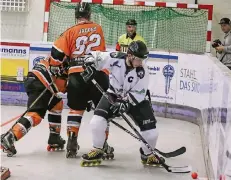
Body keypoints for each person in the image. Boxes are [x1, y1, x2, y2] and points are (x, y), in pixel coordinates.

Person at [80, 41, 163, 166]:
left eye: (143, 59)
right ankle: (97, 149)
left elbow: (139, 93)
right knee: (96, 122)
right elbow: (93, 56)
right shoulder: (116, 58)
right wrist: (89, 65)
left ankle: (147, 155)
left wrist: (125, 103)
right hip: (113, 94)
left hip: (137, 100)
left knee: (151, 134)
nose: (141, 62)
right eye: (139, 59)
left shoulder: (142, 71)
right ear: (130, 56)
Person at [50, 2, 111, 158]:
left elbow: (56, 54)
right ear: (89, 15)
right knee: (102, 111)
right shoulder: (98, 28)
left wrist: (59, 65)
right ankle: (102, 144)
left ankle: (71, 140)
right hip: (98, 73)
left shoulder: (69, 31)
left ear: (75, 15)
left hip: (77, 75)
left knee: (76, 109)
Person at [1, 57, 68, 156]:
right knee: (35, 114)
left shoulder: (63, 54)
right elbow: (64, 85)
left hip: (36, 79)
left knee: (57, 104)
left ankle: (54, 137)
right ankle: (10, 137)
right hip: (41, 82)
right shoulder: (71, 59)